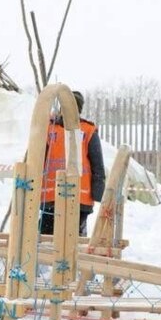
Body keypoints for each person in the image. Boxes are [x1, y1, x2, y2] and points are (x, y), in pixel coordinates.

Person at [39, 90, 105, 236]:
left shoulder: (87, 130)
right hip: (51, 197)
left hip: (78, 198)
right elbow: (37, 158)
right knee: (48, 241)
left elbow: (97, 166)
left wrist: (98, 193)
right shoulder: (49, 128)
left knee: (72, 241)